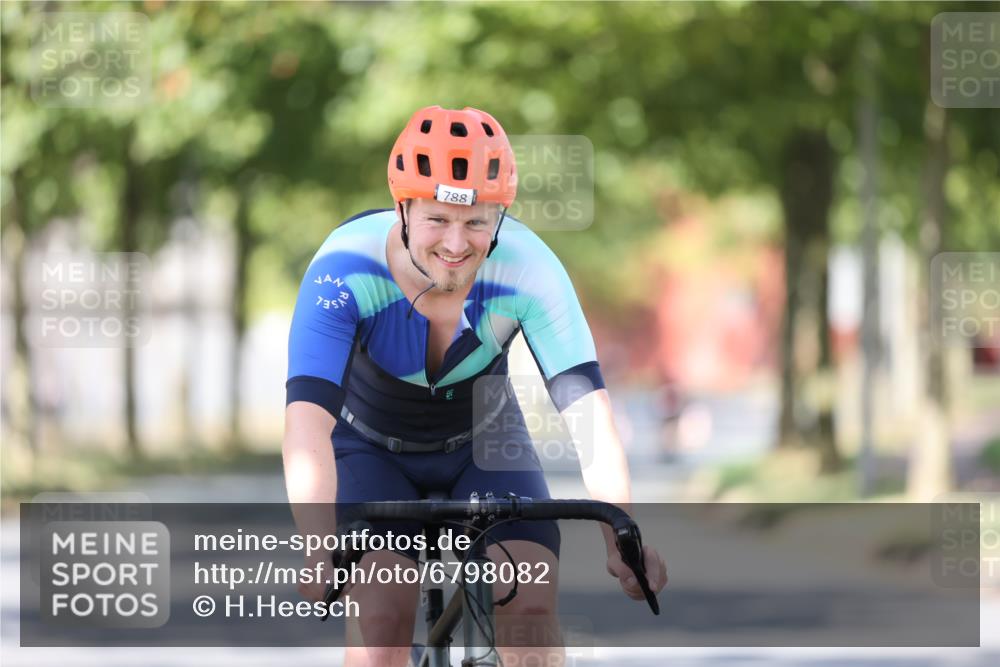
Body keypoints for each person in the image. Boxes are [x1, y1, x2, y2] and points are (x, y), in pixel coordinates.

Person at [282, 105, 666, 667]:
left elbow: (589, 417)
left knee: (530, 614)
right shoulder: (342, 268)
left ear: (500, 219)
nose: (457, 244)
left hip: (485, 446)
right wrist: (318, 547)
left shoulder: (530, 269)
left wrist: (621, 537)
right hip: (369, 451)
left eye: (478, 221)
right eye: (438, 219)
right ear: (403, 209)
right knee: (382, 622)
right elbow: (306, 427)